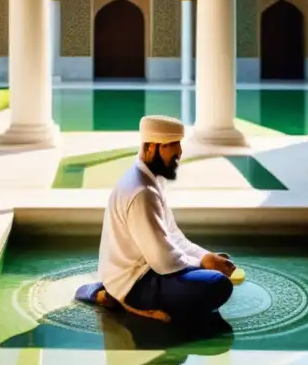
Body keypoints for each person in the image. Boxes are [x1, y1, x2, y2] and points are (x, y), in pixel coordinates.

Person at [75, 115, 236, 323]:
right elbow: (163, 262)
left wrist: (206, 257)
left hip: (148, 270)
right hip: (135, 282)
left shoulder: (152, 178)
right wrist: (202, 264)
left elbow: (172, 235)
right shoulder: (141, 192)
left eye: (179, 143)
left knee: (218, 265)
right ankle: (128, 303)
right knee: (218, 285)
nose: (179, 151)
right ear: (150, 148)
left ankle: (111, 294)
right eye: (172, 145)